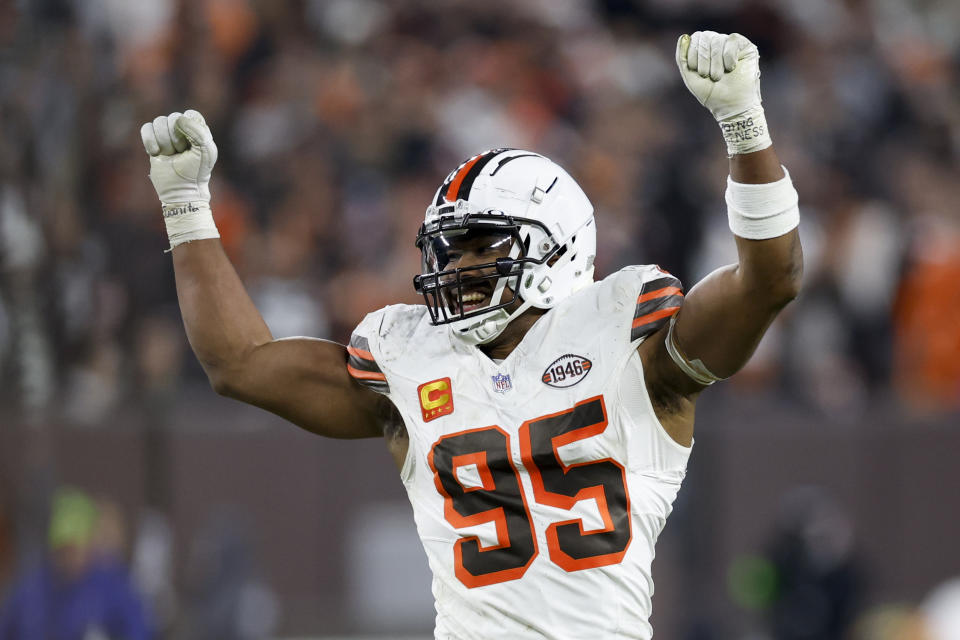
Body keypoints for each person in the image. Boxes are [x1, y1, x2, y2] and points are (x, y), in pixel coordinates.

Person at [140, 31, 802, 639]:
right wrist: (185, 207)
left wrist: (743, 123)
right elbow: (239, 364)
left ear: (557, 249)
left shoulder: (632, 340)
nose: (458, 267)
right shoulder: (412, 357)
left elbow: (768, 280)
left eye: (481, 245)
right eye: (449, 250)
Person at [0, 488, 152, 640]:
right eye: (62, 549)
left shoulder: (112, 586)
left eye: (75, 549)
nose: (69, 557)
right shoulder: (31, 590)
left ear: (90, 546)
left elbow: (139, 630)